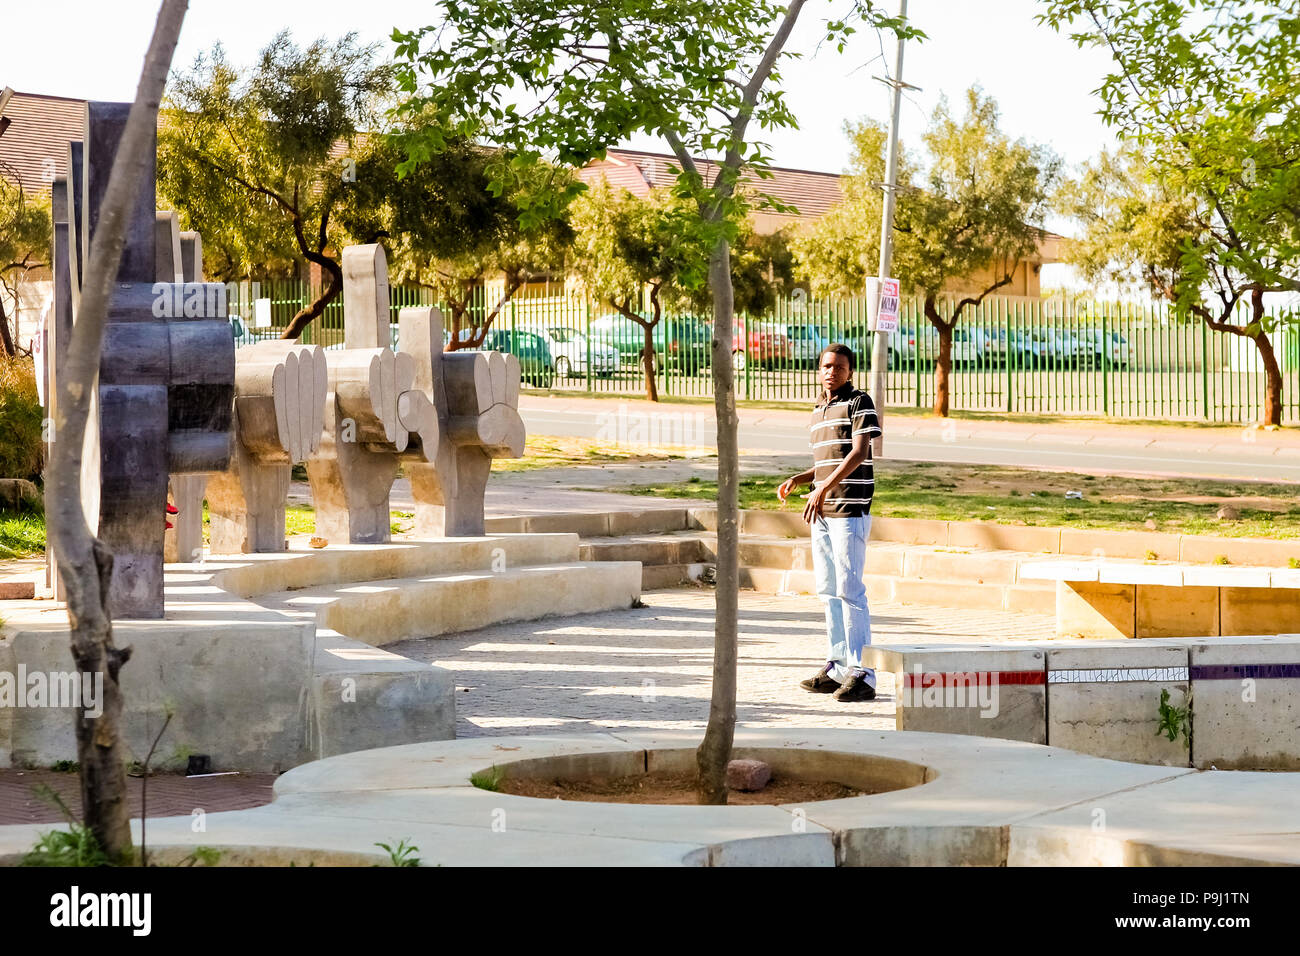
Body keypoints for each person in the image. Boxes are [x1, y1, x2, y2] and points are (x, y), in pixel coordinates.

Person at [778, 343, 882, 703]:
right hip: (820, 509)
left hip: (849, 511)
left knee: (850, 590)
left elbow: (858, 453)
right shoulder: (819, 410)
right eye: (825, 366)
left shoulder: (859, 402)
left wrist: (822, 487)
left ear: (850, 371)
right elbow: (826, 463)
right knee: (827, 591)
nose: (831, 372)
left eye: (839, 367)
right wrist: (803, 480)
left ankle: (863, 673)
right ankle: (837, 666)